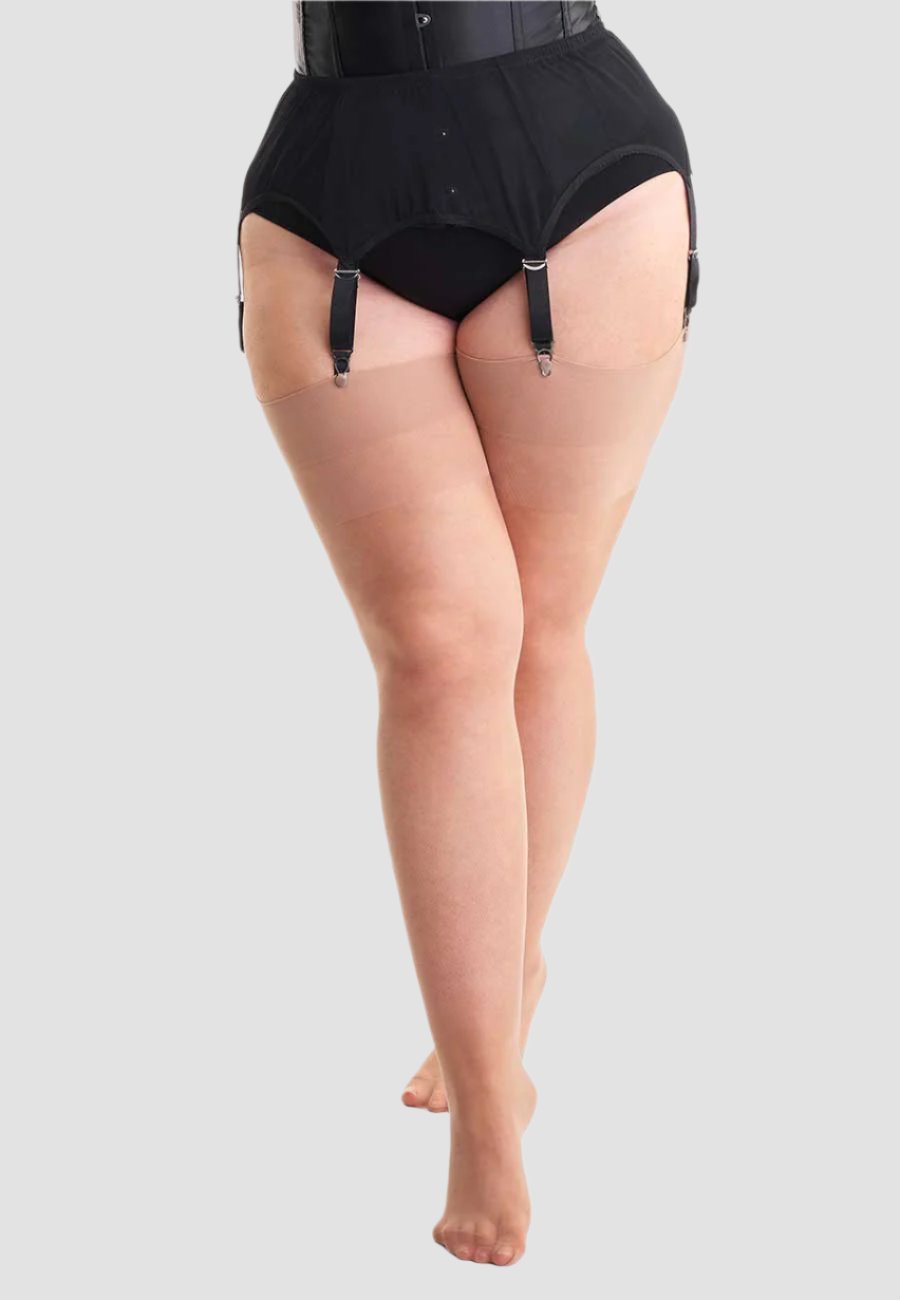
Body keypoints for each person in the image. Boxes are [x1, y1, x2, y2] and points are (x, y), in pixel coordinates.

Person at [236, 0, 699, 1267]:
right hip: (331, 184)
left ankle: (499, 1001)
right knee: (442, 646)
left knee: (542, 623)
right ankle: (493, 1093)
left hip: (582, 167)